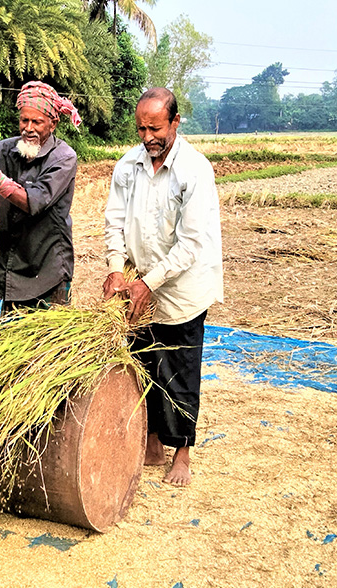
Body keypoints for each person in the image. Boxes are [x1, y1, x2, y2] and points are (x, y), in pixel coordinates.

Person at [102, 87, 223, 487]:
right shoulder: (128, 166)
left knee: (180, 368)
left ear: (174, 122)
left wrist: (148, 284)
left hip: (182, 287)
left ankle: (182, 453)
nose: (148, 137)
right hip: (139, 282)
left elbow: (190, 243)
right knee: (143, 362)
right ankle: (152, 442)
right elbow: (114, 222)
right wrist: (118, 270)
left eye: (155, 128)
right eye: (141, 129)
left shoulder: (195, 169)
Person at [0, 81, 81, 315]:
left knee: (49, 347)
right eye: (24, 120)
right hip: (13, 268)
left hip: (48, 271)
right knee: (10, 345)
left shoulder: (63, 158)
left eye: (37, 122)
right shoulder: (6, 149)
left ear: (53, 124)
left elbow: (34, 202)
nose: (28, 128)